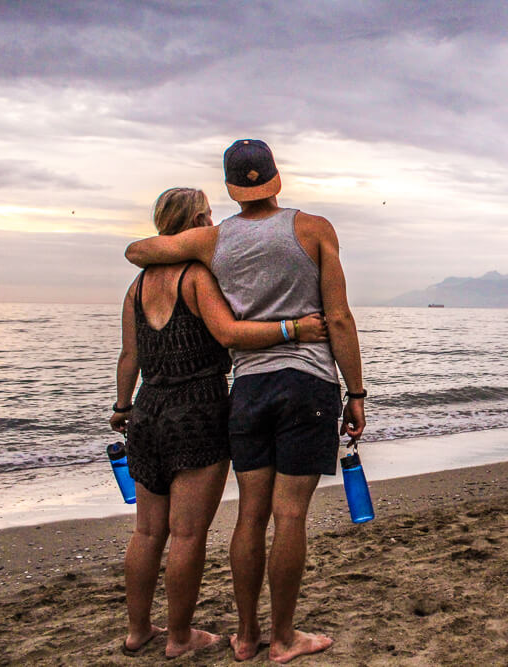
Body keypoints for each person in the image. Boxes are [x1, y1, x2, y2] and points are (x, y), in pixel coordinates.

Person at [125, 139, 366, 664]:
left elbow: (138, 251)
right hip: (307, 383)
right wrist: (357, 392)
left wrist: (192, 239)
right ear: (276, 179)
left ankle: (246, 635)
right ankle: (282, 639)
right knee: (291, 518)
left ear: (232, 188)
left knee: (249, 518)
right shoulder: (314, 228)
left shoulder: (212, 241)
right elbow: (340, 317)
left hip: (248, 391)